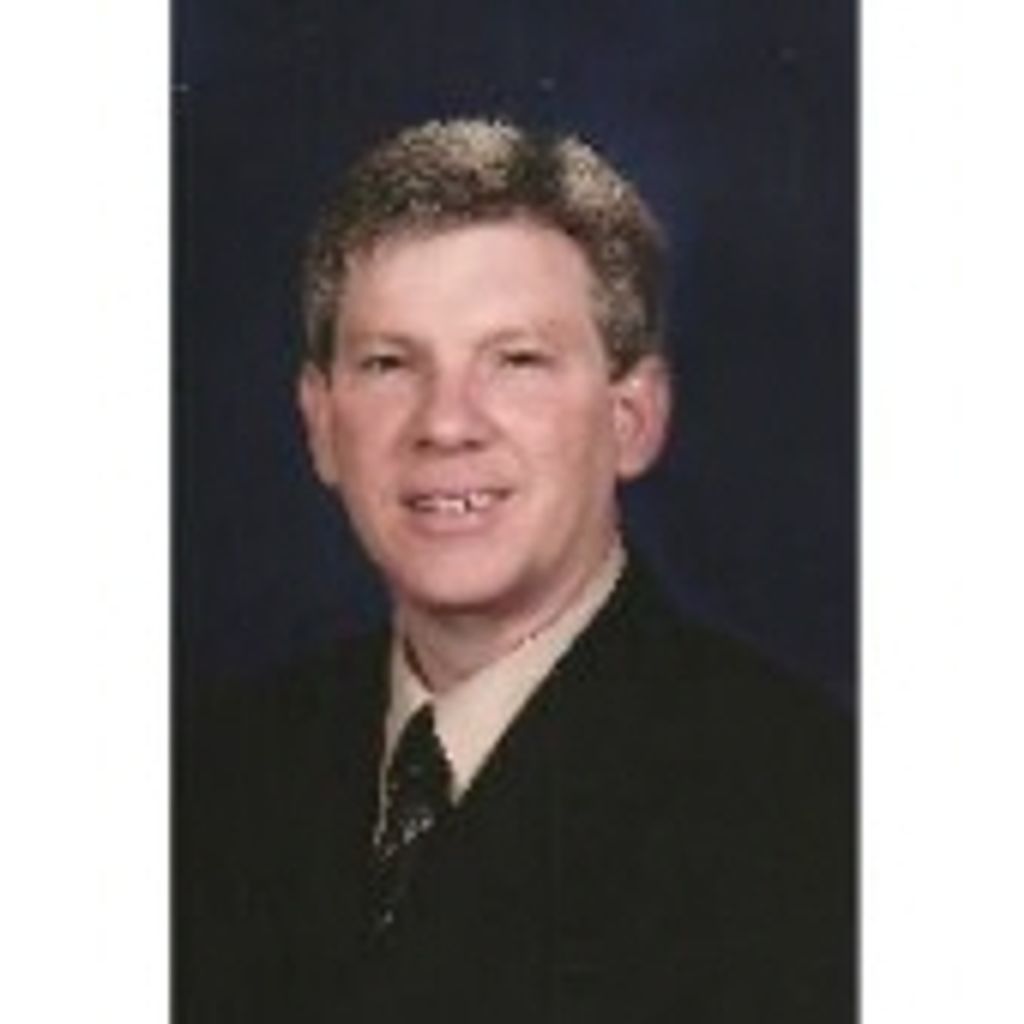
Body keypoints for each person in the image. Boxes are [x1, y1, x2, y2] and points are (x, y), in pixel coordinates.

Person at [177, 119, 853, 1023]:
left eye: (516, 362)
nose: (445, 424)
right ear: (321, 423)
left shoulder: (807, 805)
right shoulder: (206, 776)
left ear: (631, 418)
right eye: (388, 364)